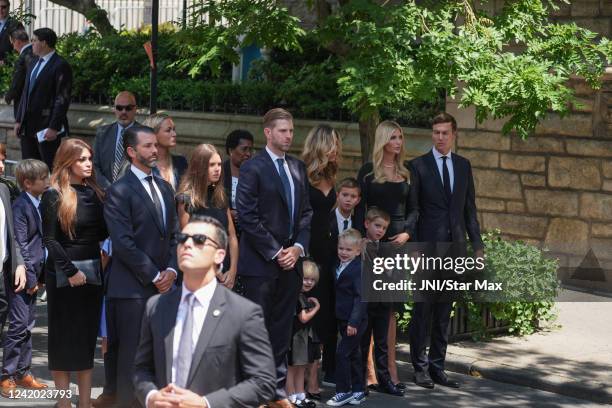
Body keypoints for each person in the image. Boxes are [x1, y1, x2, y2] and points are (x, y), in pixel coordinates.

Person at [133, 215, 276, 408]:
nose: (187, 245)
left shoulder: (244, 313)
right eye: (182, 239)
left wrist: (207, 403)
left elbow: (263, 382)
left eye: (199, 240)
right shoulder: (156, 307)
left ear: (219, 255)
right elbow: (142, 369)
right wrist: (151, 397)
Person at [236, 108, 313, 408]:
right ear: (268, 132)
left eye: (291, 131)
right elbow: (247, 215)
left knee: (282, 330)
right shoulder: (253, 167)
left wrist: (297, 249)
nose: (289, 136)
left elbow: (306, 213)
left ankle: (275, 391)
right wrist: (275, 250)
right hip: (260, 264)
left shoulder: (297, 167)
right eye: (283, 131)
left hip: (291, 263)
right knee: (257, 330)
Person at [99, 126, 178, 408]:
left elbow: (173, 236)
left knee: (161, 358)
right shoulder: (119, 191)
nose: (155, 150)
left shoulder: (166, 188)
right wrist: (155, 275)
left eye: (155, 145)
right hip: (131, 291)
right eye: (147, 146)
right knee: (132, 360)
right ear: (132, 152)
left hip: (165, 289)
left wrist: (172, 270)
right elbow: (122, 243)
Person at [408, 112, 484, 390]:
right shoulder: (417, 166)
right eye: (436, 132)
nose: (440, 137)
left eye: (444, 133)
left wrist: (477, 247)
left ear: (454, 135)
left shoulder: (464, 166)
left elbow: (469, 211)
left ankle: (438, 367)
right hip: (427, 251)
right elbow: (413, 210)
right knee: (423, 312)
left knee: (443, 313)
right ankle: (419, 368)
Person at [40, 139, 108, 408]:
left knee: (85, 339)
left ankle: (85, 401)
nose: (88, 163)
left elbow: (103, 233)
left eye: (89, 158)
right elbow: (50, 240)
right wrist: (70, 271)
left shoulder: (95, 193)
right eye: (82, 159)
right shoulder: (54, 194)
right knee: (62, 339)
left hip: (93, 274)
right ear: (68, 161)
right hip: (62, 276)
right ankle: (64, 402)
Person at [356, 120, 417, 391]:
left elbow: (416, 210)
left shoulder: (407, 172)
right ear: (383, 140)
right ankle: (369, 371)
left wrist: (407, 234)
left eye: (400, 137)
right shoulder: (368, 172)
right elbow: (360, 209)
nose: (398, 142)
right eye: (393, 137)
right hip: (374, 246)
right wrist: (364, 241)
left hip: (398, 247)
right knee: (370, 309)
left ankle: (391, 370)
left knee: (390, 310)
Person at [1, 159, 49, 397]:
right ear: (28, 183)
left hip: (34, 275)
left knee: (28, 325)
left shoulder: (38, 203)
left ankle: (23, 372)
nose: (47, 182)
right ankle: (7, 375)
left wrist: (40, 277)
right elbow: (22, 244)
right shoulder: (21, 206)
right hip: (22, 277)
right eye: (43, 179)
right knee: (19, 326)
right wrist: (30, 278)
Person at [301, 124, 341, 393]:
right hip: (310, 252)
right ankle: (304, 374)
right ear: (322, 146)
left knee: (327, 314)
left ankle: (324, 369)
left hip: (331, 253)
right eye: (334, 144)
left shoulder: (333, 178)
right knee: (308, 314)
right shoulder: (303, 176)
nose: (338, 149)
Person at [176, 144, 239, 288]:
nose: (218, 169)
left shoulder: (221, 197)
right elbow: (189, 240)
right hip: (199, 272)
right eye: (212, 165)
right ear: (199, 167)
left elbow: (232, 236)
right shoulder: (186, 199)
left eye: (219, 164)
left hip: (226, 271)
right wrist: (216, 271)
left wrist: (233, 270)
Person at [359, 207, 403, 397]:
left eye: (384, 228)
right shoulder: (358, 245)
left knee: (382, 343)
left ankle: (385, 381)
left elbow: (392, 274)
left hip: (383, 302)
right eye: (377, 226)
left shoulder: (386, 249)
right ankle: (360, 382)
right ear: (367, 224)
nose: (380, 231)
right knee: (361, 342)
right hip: (365, 303)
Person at [14, 28, 72, 170]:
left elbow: (62, 99)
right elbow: (25, 93)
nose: (31, 44)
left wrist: (54, 127)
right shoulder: (33, 62)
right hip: (27, 127)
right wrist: (18, 120)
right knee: (29, 169)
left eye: (34, 41)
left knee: (48, 167)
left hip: (45, 128)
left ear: (44, 43)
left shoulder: (60, 65)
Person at [326, 228, 367, 407]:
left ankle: (343, 391)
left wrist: (353, 322)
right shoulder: (337, 265)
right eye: (341, 248)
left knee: (342, 354)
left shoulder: (359, 269)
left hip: (355, 321)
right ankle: (358, 389)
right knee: (354, 354)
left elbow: (361, 298)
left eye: (348, 250)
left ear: (358, 251)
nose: (343, 252)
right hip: (342, 317)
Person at [0, 155, 27, 397]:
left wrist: (18, 264)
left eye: (2, 159)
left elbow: (13, 233)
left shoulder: (5, 190)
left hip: (4, 269)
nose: (1, 165)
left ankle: (7, 376)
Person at [286, 259, 320, 408]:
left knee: (301, 367)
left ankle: (301, 395)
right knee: (292, 368)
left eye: (312, 280)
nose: (309, 283)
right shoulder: (297, 296)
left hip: (302, 337)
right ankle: (292, 397)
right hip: (295, 337)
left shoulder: (302, 296)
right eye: (306, 279)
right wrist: (316, 307)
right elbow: (303, 318)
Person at [93, 91, 140, 189]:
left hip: (132, 195)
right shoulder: (102, 133)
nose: (123, 112)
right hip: (105, 194)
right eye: (119, 108)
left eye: (128, 108)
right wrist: (108, 188)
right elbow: (94, 166)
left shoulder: (144, 134)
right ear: (114, 109)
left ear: (135, 109)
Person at [143, 113, 187, 191]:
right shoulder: (142, 166)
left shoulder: (181, 162)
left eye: (174, 129)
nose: (174, 134)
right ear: (154, 134)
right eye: (168, 130)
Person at [222, 128, 254, 235]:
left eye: (250, 149)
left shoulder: (255, 174)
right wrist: (227, 213)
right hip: (224, 231)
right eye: (244, 149)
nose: (248, 154)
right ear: (231, 151)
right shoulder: (220, 173)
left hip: (249, 233)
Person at [4, 28, 34, 119]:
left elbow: (17, 81)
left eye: (12, 43)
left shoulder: (23, 57)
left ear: (17, 41)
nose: (13, 47)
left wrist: (8, 96)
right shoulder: (36, 53)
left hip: (24, 105)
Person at [330, 178, 361, 254]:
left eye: (353, 196)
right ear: (337, 196)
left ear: (358, 200)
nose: (348, 199)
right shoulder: (326, 220)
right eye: (345, 195)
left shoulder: (359, 224)